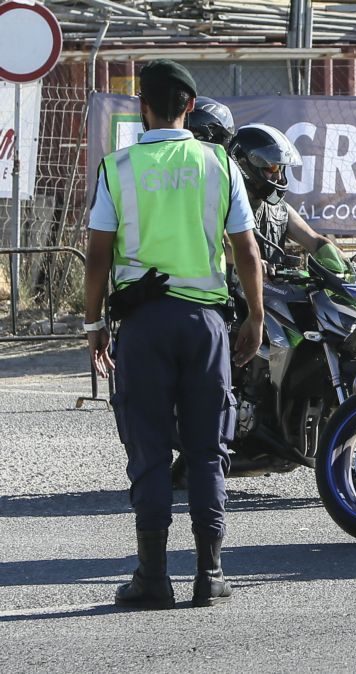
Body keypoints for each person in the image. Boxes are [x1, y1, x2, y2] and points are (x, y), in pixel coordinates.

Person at [84, 60, 264, 609]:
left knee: (151, 449)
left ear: (143, 107)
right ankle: (210, 575)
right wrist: (255, 315)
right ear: (189, 107)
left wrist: (94, 325)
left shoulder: (119, 168)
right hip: (206, 326)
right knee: (208, 450)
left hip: (143, 327)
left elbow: (97, 255)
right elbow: (247, 250)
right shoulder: (220, 163)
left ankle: (152, 576)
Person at [183, 105, 352, 278]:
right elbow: (218, 245)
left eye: (279, 168)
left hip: (277, 296)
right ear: (244, 164)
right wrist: (254, 262)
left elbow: (315, 241)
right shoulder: (222, 202)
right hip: (231, 297)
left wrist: (349, 269)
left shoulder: (278, 209)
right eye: (271, 167)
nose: (278, 176)